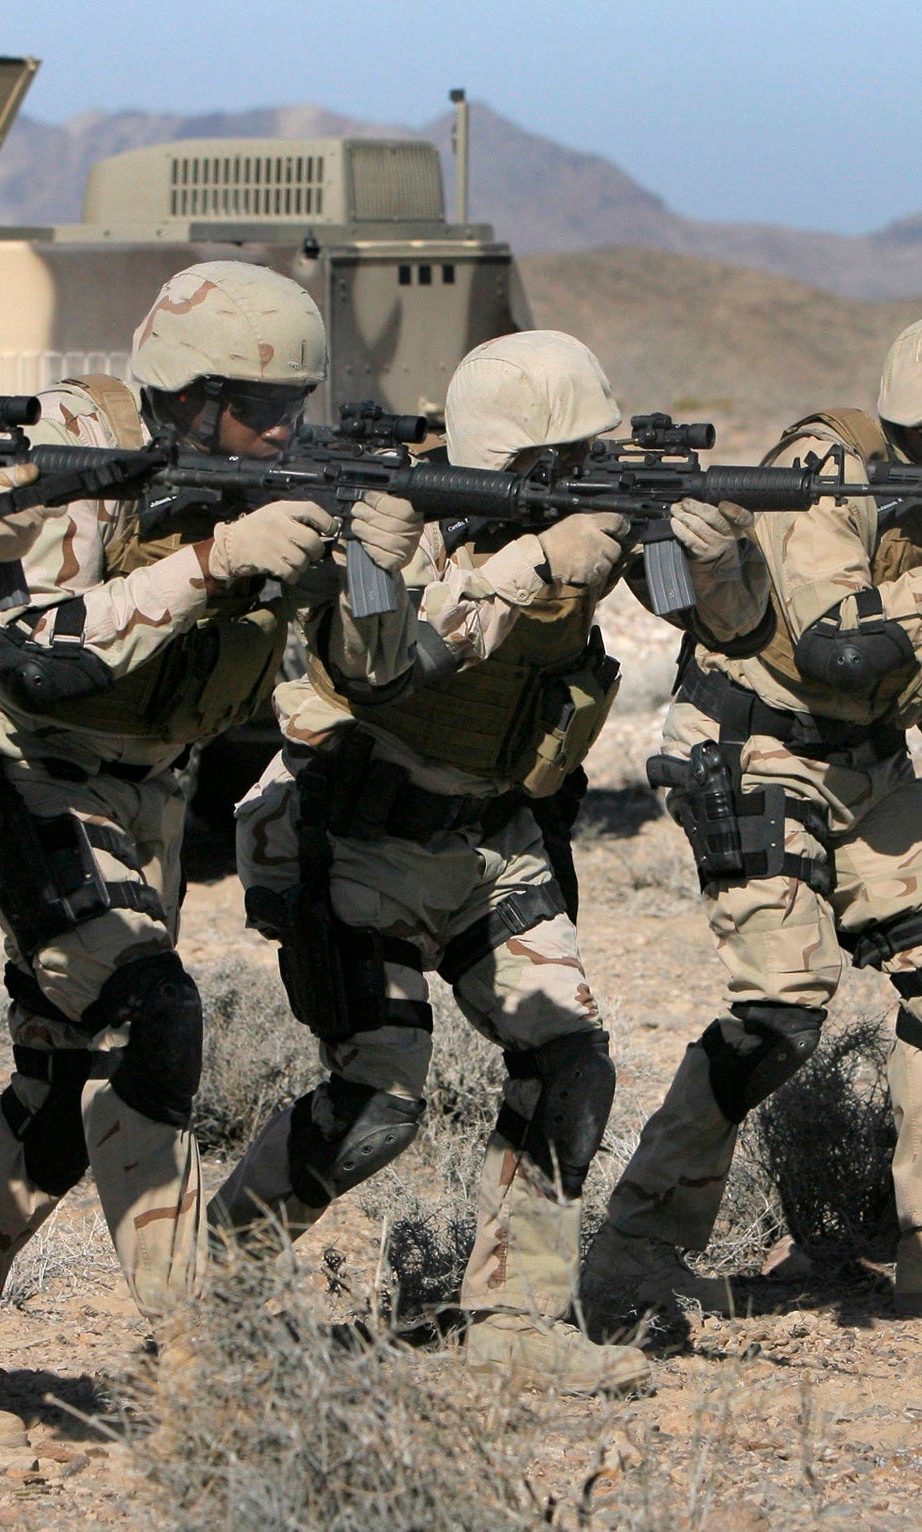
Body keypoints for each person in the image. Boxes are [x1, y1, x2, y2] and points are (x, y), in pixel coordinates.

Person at [0, 262, 424, 1438]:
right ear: (188, 398)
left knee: (56, 1091)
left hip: (142, 793)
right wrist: (217, 560)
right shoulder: (74, 453)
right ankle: (200, 1360)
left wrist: (378, 560)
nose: (281, 430)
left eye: (295, 407)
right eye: (258, 409)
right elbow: (42, 653)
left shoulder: (279, 488)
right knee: (151, 1021)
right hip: (15, 770)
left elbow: (373, 676)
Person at [216, 330, 768, 1393]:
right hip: (357, 839)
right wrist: (538, 560)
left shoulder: (586, 533)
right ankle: (213, 1288)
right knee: (379, 1101)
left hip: (494, 844)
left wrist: (716, 554)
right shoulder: (398, 521)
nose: (582, 486)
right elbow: (390, 666)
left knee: (569, 1060)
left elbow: (732, 633)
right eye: (561, 466)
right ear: (508, 466)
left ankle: (517, 1321)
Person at [584, 313, 922, 1323]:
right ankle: (633, 1251)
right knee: (780, 1009)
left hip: (867, 763)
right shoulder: (827, 473)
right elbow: (838, 649)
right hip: (754, 743)